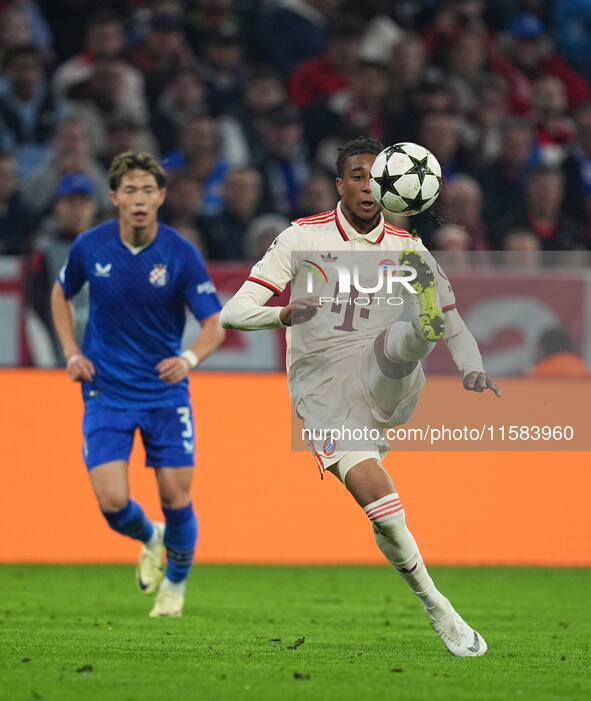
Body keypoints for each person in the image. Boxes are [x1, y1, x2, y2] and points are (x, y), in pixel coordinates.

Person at [220, 136, 500, 657]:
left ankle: (420, 326)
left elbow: (458, 323)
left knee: (408, 334)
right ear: (339, 184)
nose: (367, 186)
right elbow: (232, 314)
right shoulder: (300, 239)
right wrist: (282, 314)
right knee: (383, 511)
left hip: (384, 373)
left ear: (394, 185)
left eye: (377, 176)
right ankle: (437, 605)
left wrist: (472, 368)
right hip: (324, 393)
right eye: (356, 175)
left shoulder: (407, 247)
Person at [50, 152, 225, 617]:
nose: (140, 199)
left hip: (164, 394)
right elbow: (59, 294)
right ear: (115, 198)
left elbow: (215, 324)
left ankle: (176, 585)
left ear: (162, 196)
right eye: (130, 190)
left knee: (175, 496)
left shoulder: (180, 253)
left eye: (148, 190)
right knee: (111, 502)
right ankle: (150, 537)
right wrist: (71, 352)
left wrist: (188, 359)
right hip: (106, 389)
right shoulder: (91, 246)